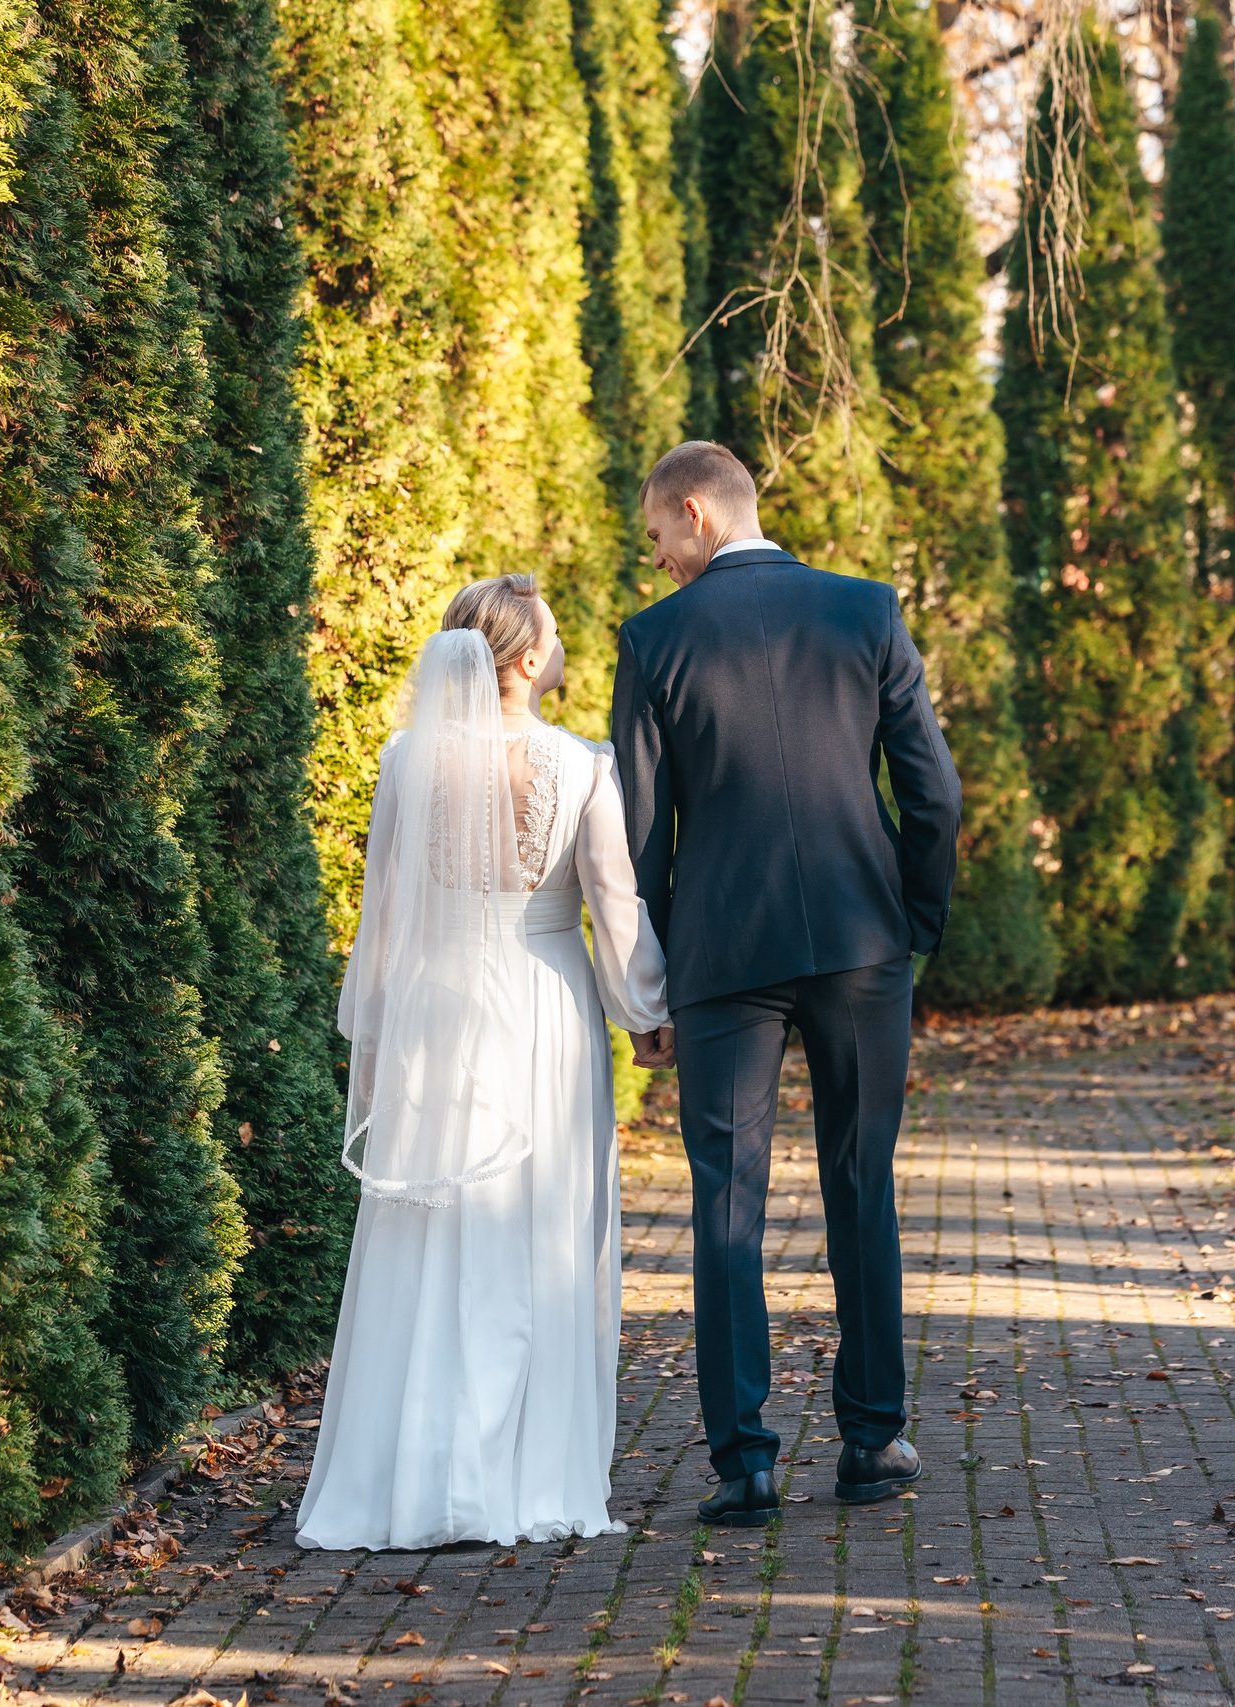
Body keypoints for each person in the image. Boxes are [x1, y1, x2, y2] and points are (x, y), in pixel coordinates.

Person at [612, 441, 963, 1527]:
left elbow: (638, 834)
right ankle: (873, 1440)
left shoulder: (655, 639)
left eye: (658, 536)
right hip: (863, 947)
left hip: (721, 960)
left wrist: (656, 982)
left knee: (726, 1202)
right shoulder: (864, 611)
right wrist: (914, 923)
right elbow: (933, 794)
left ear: (694, 513)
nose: (657, 558)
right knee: (864, 1182)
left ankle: (744, 1463)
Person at [297, 576, 668, 1551]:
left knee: (434, 1235)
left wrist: (374, 1045)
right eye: (548, 634)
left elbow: (382, 918)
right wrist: (646, 1016)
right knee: (541, 1229)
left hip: (437, 1011)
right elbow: (614, 908)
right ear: (520, 658)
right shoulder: (583, 765)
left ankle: (417, 1476)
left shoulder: (404, 760)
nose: (556, 648)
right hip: (545, 1008)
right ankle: (521, 1473)